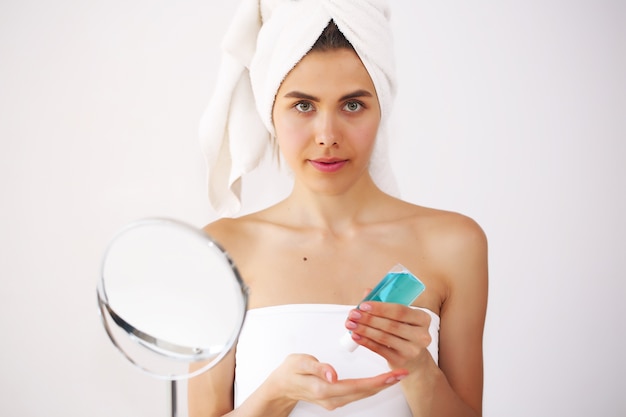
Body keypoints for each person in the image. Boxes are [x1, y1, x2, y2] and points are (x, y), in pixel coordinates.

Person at [189, 1, 488, 416]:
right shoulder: (224, 248)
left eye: (352, 105)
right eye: (303, 105)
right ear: (269, 111)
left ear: (381, 106)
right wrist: (275, 395)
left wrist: (419, 371)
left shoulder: (453, 244)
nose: (327, 135)